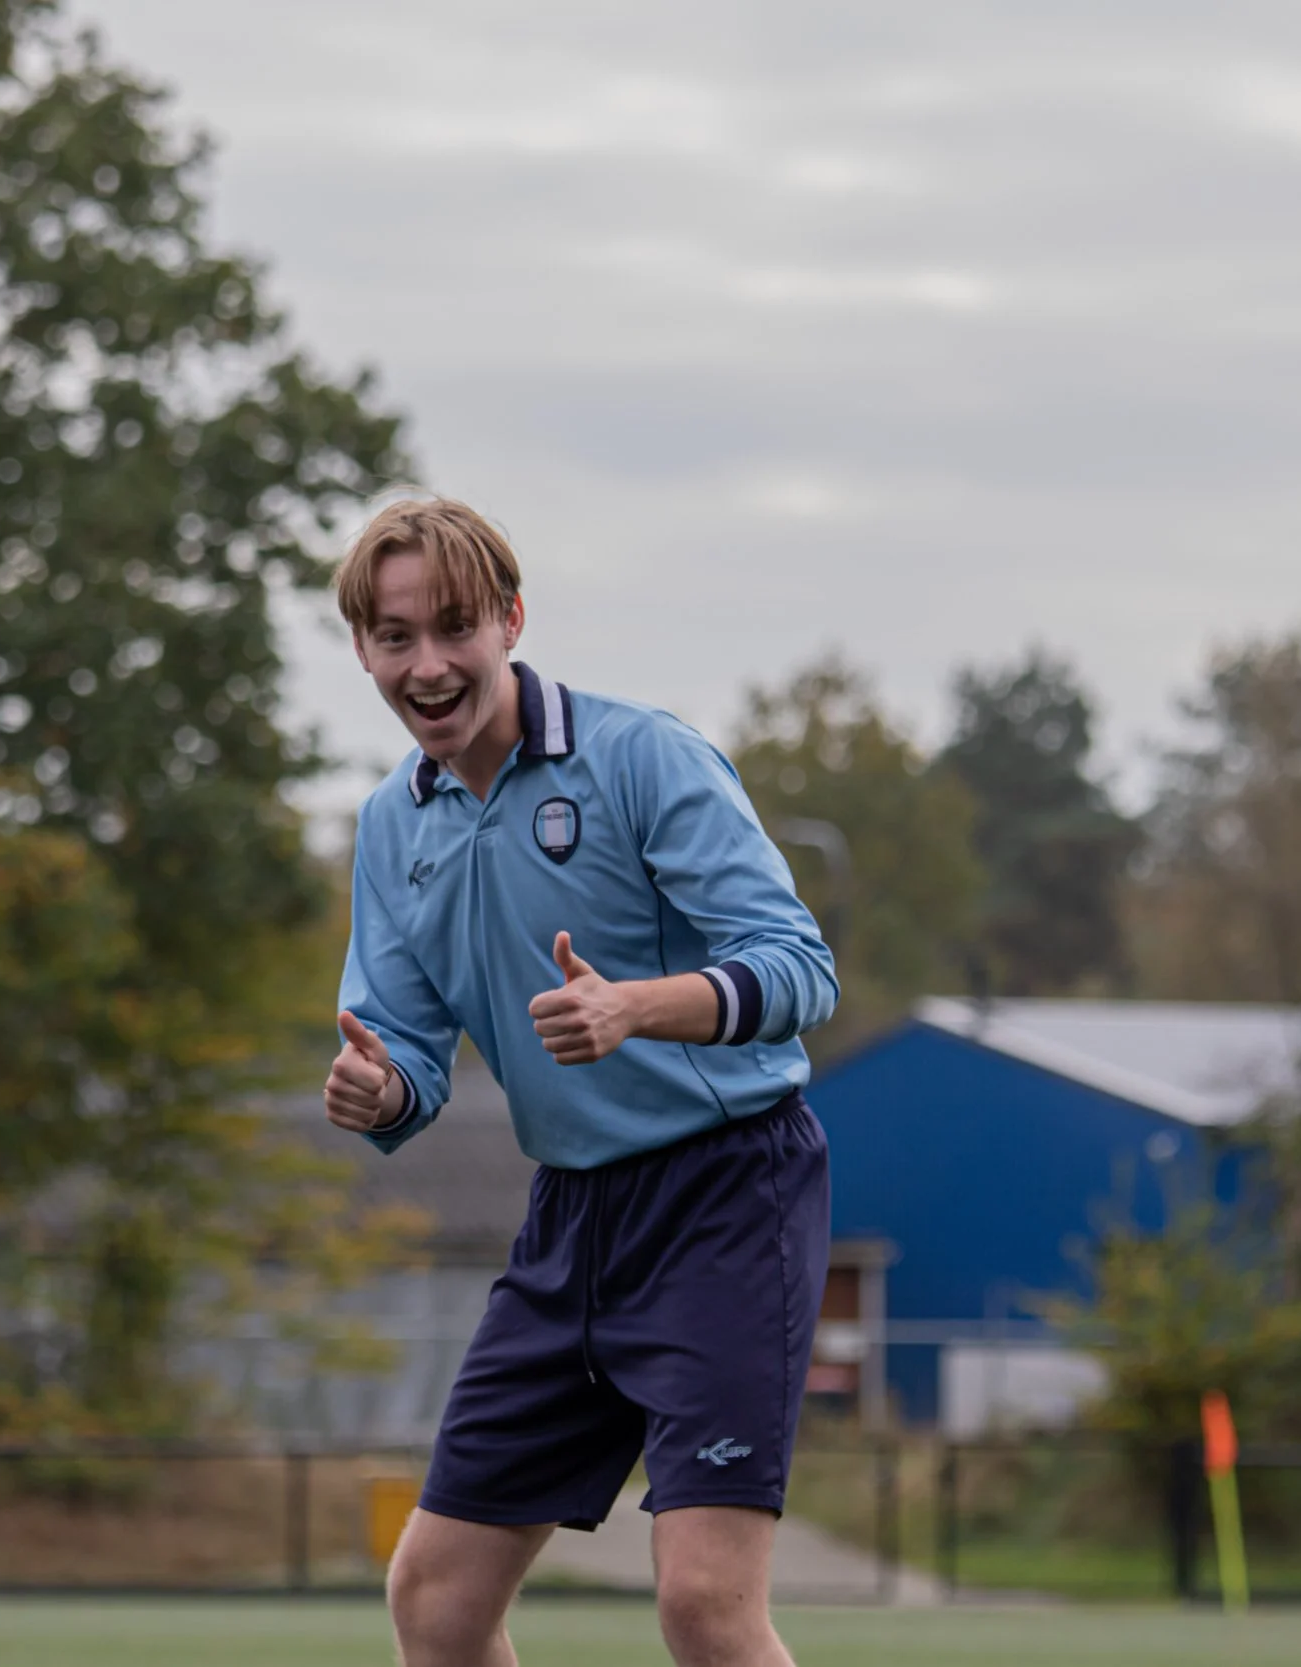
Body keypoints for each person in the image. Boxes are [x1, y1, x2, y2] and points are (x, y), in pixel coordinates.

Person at [321, 497, 839, 1667]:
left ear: (510, 619)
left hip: (726, 1197)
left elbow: (800, 969)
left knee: (705, 1604)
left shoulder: (640, 756)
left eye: (454, 626)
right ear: (362, 649)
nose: (427, 663)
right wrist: (377, 1087)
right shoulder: (391, 825)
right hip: (568, 1217)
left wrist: (634, 1007)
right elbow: (403, 1046)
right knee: (435, 1600)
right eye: (395, 636)